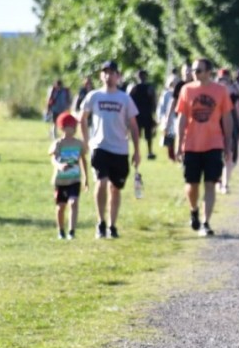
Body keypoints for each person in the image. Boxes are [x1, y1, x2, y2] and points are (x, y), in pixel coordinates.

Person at [80, 60, 141, 239]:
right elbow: (82, 117)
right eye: (105, 72)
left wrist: (137, 151)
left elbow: (134, 126)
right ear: (101, 76)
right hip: (100, 147)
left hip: (120, 149)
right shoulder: (94, 96)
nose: (108, 76)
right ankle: (101, 222)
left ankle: (112, 225)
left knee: (116, 187)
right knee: (102, 181)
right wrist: (86, 141)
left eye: (112, 72)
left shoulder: (125, 99)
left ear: (118, 76)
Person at [175, 58, 234, 237]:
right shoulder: (186, 89)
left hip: (213, 143)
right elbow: (182, 118)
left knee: (210, 184)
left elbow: (227, 118)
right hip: (191, 144)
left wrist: (228, 143)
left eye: (199, 70)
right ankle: (194, 210)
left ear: (209, 72)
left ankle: (206, 222)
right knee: (191, 185)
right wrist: (178, 144)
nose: (195, 73)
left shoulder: (220, 90)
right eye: (194, 70)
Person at [49, 112, 88, 240]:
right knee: (61, 207)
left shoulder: (79, 144)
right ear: (63, 127)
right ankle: (61, 230)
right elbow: (53, 158)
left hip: (74, 179)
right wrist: (59, 166)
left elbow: (83, 160)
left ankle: (72, 231)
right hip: (61, 181)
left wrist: (85, 178)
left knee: (74, 202)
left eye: (73, 126)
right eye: (69, 126)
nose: (72, 129)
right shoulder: (58, 143)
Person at [128, 69, 158, 160]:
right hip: (144, 114)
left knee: (140, 134)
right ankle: (147, 151)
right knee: (144, 135)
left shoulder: (134, 87)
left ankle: (139, 151)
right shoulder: (148, 88)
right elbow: (154, 101)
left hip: (140, 114)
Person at [157, 72, 180, 161]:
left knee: (177, 136)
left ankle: (178, 154)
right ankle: (171, 155)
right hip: (169, 118)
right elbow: (162, 106)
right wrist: (161, 117)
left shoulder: (180, 92)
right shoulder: (166, 94)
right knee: (169, 137)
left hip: (177, 117)